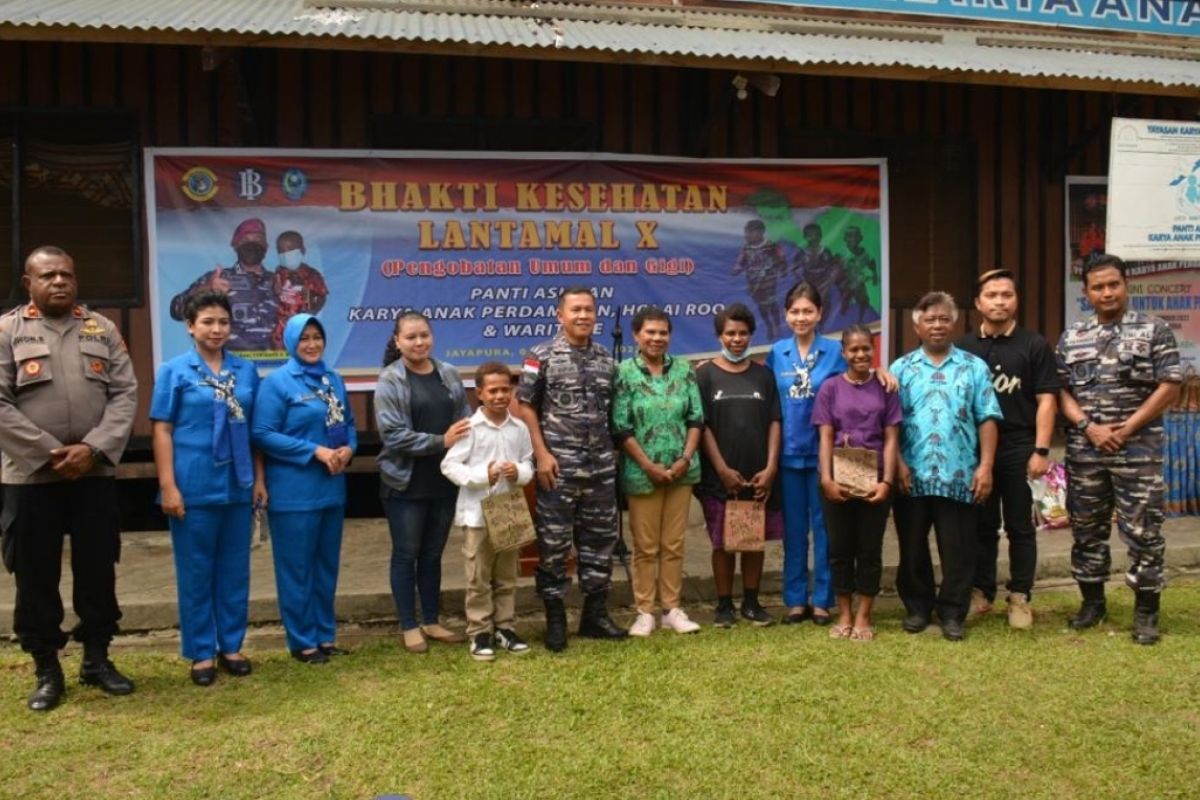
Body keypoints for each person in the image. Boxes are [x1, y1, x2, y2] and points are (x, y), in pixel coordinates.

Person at [0, 246, 137, 712]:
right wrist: (50, 452)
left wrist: (93, 449)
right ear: (28, 283)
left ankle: (97, 659)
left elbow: (124, 393)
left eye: (67, 275)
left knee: (98, 567)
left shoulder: (102, 329)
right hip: (31, 475)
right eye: (49, 275)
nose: (59, 282)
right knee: (35, 573)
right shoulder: (7, 330)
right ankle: (46, 668)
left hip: (93, 473)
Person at [1056, 254, 1182, 645]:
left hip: (1138, 451)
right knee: (1086, 529)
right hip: (1086, 451)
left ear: (1126, 285)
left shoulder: (1154, 330)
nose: (1107, 292)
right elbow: (1059, 391)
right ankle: (1092, 603)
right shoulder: (1072, 337)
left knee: (1144, 530)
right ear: (1087, 292)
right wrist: (1089, 428)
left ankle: (1146, 612)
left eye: (1113, 284)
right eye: (1098, 286)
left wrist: (1127, 428)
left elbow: (1170, 385)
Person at [151, 290, 266, 685]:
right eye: (208, 322)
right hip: (193, 483)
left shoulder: (246, 371)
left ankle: (231, 645)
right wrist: (168, 485)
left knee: (235, 569)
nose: (216, 329)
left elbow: (253, 432)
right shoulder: (174, 371)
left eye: (223, 322)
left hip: (237, 484)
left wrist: (258, 480)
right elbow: (162, 429)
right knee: (196, 570)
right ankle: (201, 651)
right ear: (190, 326)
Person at [515, 286, 627, 651]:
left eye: (589, 310)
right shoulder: (540, 356)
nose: (583, 316)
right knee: (553, 544)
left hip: (599, 470)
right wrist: (541, 453)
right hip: (558, 468)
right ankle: (556, 618)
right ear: (559, 315)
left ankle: (594, 615)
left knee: (598, 543)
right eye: (575, 310)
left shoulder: (606, 361)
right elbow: (526, 406)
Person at [891, 291, 1001, 642]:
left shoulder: (973, 367)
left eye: (943, 319)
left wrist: (985, 466)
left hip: (960, 475)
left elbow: (988, 417)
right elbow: (889, 423)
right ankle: (918, 607)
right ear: (916, 326)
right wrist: (898, 464)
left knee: (959, 550)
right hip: (912, 475)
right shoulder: (901, 369)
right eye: (929, 319)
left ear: (954, 323)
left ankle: (953, 612)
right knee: (912, 547)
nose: (937, 325)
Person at [957, 269, 1059, 630]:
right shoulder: (965, 349)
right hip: (976, 452)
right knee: (981, 526)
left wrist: (1042, 450)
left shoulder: (1034, 345)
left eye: (1007, 294)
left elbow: (1047, 399)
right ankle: (981, 593)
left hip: (1020, 447)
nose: (999, 301)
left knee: (1020, 527)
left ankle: (1020, 597)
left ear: (1016, 300)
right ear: (978, 303)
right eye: (992, 295)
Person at [252, 313, 356, 663]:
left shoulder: (333, 379)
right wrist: (314, 451)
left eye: (317, 337)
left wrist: (348, 449)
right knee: (297, 569)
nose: (311, 344)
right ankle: (302, 640)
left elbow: (349, 424)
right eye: (304, 338)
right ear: (291, 342)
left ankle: (325, 636)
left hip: (331, 488)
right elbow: (263, 434)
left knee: (326, 567)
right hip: (294, 492)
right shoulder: (278, 382)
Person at [375, 312, 471, 654]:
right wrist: (440, 441)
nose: (419, 343)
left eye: (424, 336)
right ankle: (409, 625)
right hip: (406, 483)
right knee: (406, 554)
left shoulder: (448, 373)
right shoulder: (390, 380)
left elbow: (465, 420)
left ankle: (431, 620)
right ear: (398, 341)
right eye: (411, 337)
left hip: (444, 480)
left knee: (432, 555)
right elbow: (393, 435)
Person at [611, 307, 704, 636]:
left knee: (673, 543)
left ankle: (672, 609)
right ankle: (644, 611)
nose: (656, 338)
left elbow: (695, 418)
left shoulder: (684, 370)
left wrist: (684, 459)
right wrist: (649, 465)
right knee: (646, 545)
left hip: (682, 470)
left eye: (663, 332)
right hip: (642, 472)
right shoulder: (624, 372)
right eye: (650, 332)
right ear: (637, 335)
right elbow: (621, 426)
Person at [694, 303, 782, 628]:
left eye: (743, 333)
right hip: (720, 478)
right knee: (723, 542)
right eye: (730, 333)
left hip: (759, 475)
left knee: (753, 539)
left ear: (751, 335)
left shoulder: (764, 374)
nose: (737, 339)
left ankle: (751, 602)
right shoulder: (704, 375)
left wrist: (771, 468)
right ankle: (724, 605)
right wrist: (721, 469)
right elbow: (701, 426)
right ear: (719, 335)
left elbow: (775, 421)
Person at [440, 362, 535, 661]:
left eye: (505, 390)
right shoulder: (469, 428)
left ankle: (505, 627)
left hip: (508, 509)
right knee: (478, 575)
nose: (499, 396)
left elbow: (529, 464)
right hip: (477, 514)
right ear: (479, 393)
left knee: (507, 573)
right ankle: (479, 631)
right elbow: (449, 465)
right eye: (492, 390)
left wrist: (516, 470)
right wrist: (484, 475)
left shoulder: (519, 428)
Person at [813, 325, 901, 641]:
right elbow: (824, 436)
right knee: (839, 549)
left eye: (866, 348)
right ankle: (844, 613)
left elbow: (891, 439)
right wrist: (826, 479)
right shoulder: (830, 388)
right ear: (844, 353)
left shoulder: (886, 388)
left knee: (868, 548)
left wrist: (887, 481)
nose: (861, 354)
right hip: (838, 480)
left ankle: (864, 615)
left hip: (875, 479)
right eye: (854, 349)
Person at [766, 281, 845, 626]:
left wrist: (881, 375)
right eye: (795, 311)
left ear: (819, 314)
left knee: (825, 529)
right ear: (786, 315)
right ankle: (796, 600)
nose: (801, 317)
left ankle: (823, 600)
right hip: (787, 454)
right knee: (794, 530)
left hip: (823, 456)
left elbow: (851, 392)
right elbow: (768, 402)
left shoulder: (835, 352)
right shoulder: (777, 352)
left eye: (807, 311)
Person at [170, 217, 279, 352]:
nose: (252, 245)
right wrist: (206, 290)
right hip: (228, 366)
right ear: (236, 246)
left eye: (257, 240)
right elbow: (176, 310)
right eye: (245, 240)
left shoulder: (279, 281)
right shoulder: (219, 279)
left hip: (273, 365)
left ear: (266, 247)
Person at [271, 230, 329, 350]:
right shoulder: (278, 273)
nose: (286, 255)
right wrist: (275, 291)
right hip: (281, 325)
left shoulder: (312, 275)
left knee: (304, 351)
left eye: (290, 250)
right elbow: (272, 296)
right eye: (281, 252)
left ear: (302, 251)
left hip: (304, 325)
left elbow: (322, 296)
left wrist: (312, 311)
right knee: (279, 355)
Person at [733, 220, 788, 340]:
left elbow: (781, 259)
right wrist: (737, 268)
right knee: (761, 306)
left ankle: (777, 326)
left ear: (761, 232)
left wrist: (781, 268)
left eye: (750, 232)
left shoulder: (771, 246)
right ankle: (769, 326)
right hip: (754, 283)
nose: (747, 235)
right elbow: (740, 262)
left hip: (769, 281)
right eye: (746, 232)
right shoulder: (746, 248)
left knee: (772, 303)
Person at [835, 226, 878, 323]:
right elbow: (836, 268)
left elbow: (871, 263)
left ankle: (860, 320)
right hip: (845, 282)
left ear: (860, 238)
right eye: (850, 236)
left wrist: (874, 274)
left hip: (858, 281)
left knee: (864, 301)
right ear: (845, 239)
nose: (853, 239)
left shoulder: (865, 252)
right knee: (844, 300)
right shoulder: (842, 252)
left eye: (855, 236)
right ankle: (842, 317)